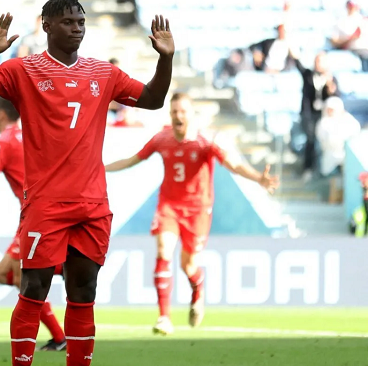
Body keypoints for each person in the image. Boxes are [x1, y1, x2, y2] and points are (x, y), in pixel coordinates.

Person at [0, 0, 175, 365]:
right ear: (47, 25)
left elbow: (152, 99)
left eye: (81, 22)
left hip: (92, 204)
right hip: (46, 205)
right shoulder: (22, 70)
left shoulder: (103, 73)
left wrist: (165, 59)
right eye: (69, 22)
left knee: (83, 290)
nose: (77, 27)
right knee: (34, 288)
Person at [105, 93, 279, 335]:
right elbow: (133, 160)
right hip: (169, 206)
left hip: (198, 210)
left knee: (189, 266)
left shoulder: (205, 142)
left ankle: (198, 289)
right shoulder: (162, 139)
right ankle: (164, 317)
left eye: (182, 112)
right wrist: (101, 168)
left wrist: (258, 178)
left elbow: (234, 165)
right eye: (175, 111)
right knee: (164, 251)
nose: (178, 116)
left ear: (191, 115)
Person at [0, 97, 67, 351]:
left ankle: (60, 335)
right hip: (41, 211)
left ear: (2, 114)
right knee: (2, 274)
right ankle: (60, 271)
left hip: (35, 213)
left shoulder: (2, 142)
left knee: (22, 275)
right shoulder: (24, 134)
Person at [288, 48, 340, 182]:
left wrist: (330, 89)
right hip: (309, 114)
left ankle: (323, 170)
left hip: (323, 116)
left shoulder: (332, 78)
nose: (318, 63)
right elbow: (299, 65)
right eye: (317, 60)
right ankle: (308, 169)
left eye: (321, 61)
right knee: (310, 139)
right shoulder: (308, 75)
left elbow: (336, 99)